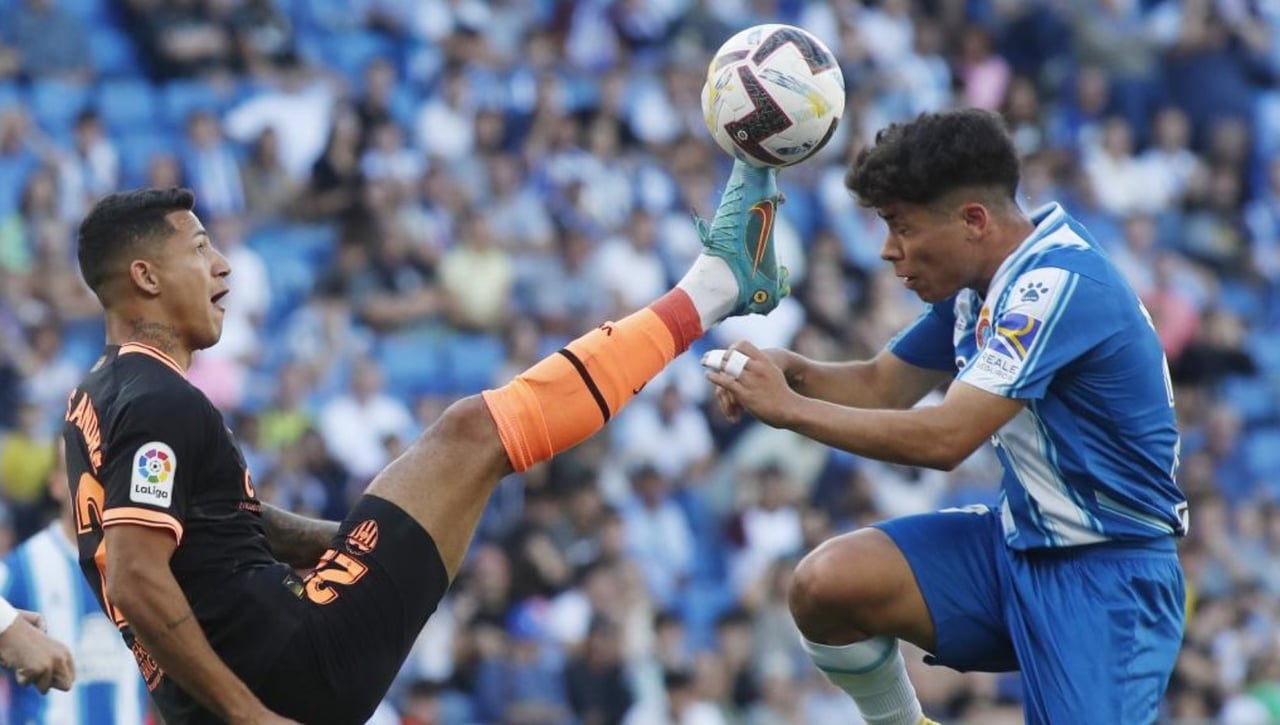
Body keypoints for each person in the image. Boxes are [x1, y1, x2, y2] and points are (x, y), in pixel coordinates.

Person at [61, 155, 786, 724]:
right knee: (473, 431)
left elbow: (200, 532)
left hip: (241, 677)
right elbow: (133, 575)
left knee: (462, 448)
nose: (221, 265)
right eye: (199, 248)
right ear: (146, 276)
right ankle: (714, 287)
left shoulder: (93, 400)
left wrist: (354, 545)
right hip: (288, 667)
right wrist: (250, 714)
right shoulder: (159, 401)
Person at [705, 108, 1187, 725]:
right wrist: (795, 372)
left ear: (973, 221)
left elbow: (945, 438)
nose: (887, 251)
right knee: (827, 584)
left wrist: (792, 409)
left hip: (1109, 579)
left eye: (899, 226)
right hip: (1015, 546)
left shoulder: (1056, 287)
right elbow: (884, 386)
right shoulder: (981, 280)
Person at [0, 440, 147, 723]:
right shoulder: (20, 568)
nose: (93, 479)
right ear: (55, 484)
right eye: (79, 468)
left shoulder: (142, 567)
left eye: (102, 469)